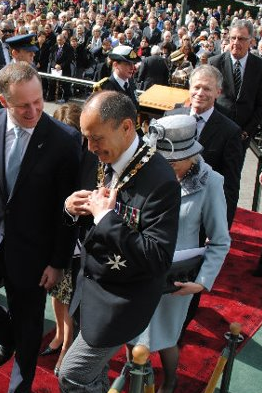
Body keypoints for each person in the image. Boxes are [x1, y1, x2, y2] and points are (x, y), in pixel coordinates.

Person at [0, 61, 81, 393]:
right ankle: (7, 336)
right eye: (23, 105)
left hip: (34, 252)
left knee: (30, 324)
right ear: (3, 102)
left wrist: (58, 262)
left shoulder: (65, 141)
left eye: (38, 101)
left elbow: (68, 211)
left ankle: (20, 386)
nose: (34, 111)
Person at [59, 90, 181, 393]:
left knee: (71, 375)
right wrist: (71, 209)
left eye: (97, 138)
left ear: (127, 127)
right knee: (92, 376)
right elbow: (91, 217)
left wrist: (105, 219)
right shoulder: (100, 155)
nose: (90, 147)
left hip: (121, 300)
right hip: (88, 288)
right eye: (87, 138)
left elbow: (157, 257)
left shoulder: (160, 180)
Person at [128, 114, 230, 393]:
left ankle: (170, 381)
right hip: (139, 267)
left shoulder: (210, 182)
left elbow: (220, 240)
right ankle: (136, 378)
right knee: (132, 332)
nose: (162, 165)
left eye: (170, 160)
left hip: (174, 280)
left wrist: (202, 281)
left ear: (191, 155)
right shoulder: (146, 169)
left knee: (165, 336)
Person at [167, 65, 242, 226]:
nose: (200, 93)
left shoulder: (230, 132)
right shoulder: (170, 118)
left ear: (218, 93)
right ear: (189, 88)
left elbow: (230, 185)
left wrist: (220, 225)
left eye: (207, 89)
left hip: (201, 217)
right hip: (166, 209)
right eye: (197, 87)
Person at [42, 103, 84, 376]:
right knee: (57, 295)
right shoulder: (51, 152)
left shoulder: (87, 161)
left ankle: (68, 345)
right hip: (53, 238)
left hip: (76, 243)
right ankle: (58, 334)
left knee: (69, 299)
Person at [208, 19, 262, 154]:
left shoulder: (259, 67)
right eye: (233, 38)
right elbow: (209, 98)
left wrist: (247, 131)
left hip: (242, 135)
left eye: (241, 39)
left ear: (251, 41)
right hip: (216, 131)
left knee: (233, 173)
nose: (236, 42)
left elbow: (260, 105)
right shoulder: (215, 63)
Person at [0, 33, 38, 109]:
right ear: (15, 53)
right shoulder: (4, 77)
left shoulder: (32, 68)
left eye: (33, 51)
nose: (33, 54)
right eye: (29, 52)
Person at [95, 45, 140, 110]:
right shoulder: (105, 87)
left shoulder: (130, 82)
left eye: (133, 63)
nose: (132, 67)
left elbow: (136, 107)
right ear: (115, 65)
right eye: (127, 64)